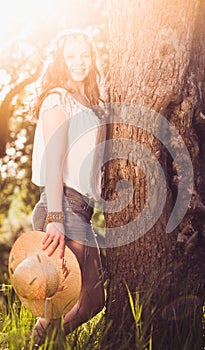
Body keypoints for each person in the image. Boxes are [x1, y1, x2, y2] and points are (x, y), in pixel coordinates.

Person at [29, 29, 105, 347]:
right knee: (73, 301)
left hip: (80, 208)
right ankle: (37, 345)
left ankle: (44, 345)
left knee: (87, 301)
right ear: (60, 60)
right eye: (71, 56)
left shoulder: (89, 101)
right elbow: (53, 161)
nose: (78, 62)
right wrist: (56, 218)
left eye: (84, 55)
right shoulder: (57, 99)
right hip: (63, 207)